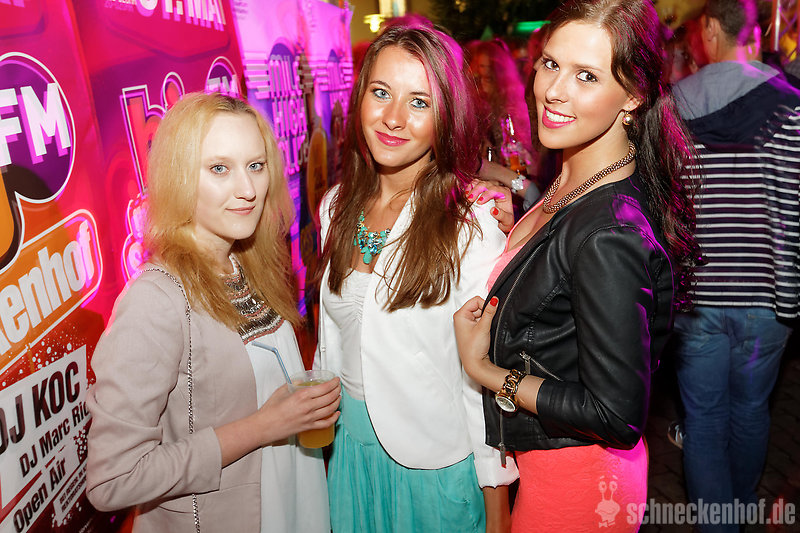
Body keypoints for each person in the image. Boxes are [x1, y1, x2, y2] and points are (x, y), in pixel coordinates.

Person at [453, 0, 699, 530]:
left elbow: (616, 415)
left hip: (578, 485)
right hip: (546, 464)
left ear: (633, 96)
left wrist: (486, 371)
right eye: (550, 64)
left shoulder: (609, 233)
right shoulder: (573, 177)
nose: (553, 91)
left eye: (586, 76)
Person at [86, 92, 341, 532]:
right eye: (219, 168)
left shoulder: (246, 264)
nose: (248, 190)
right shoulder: (157, 300)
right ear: (179, 177)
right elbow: (113, 480)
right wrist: (263, 426)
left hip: (292, 505)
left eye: (256, 166)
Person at [315, 17, 518, 533]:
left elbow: (482, 377)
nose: (393, 118)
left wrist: (497, 505)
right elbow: (333, 339)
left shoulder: (471, 224)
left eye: (419, 102)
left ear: (445, 117)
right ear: (360, 95)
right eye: (381, 92)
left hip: (433, 471)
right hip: (348, 457)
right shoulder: (335, 207)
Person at [670, 0, 800, 529]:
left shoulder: (673, 106)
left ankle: (717, 524)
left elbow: (666, 206)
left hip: (697, 297)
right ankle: (740, 508)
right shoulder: (791, 104)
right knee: (751, 412)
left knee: (703, 420)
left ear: (708, 27)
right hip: (768, 298)